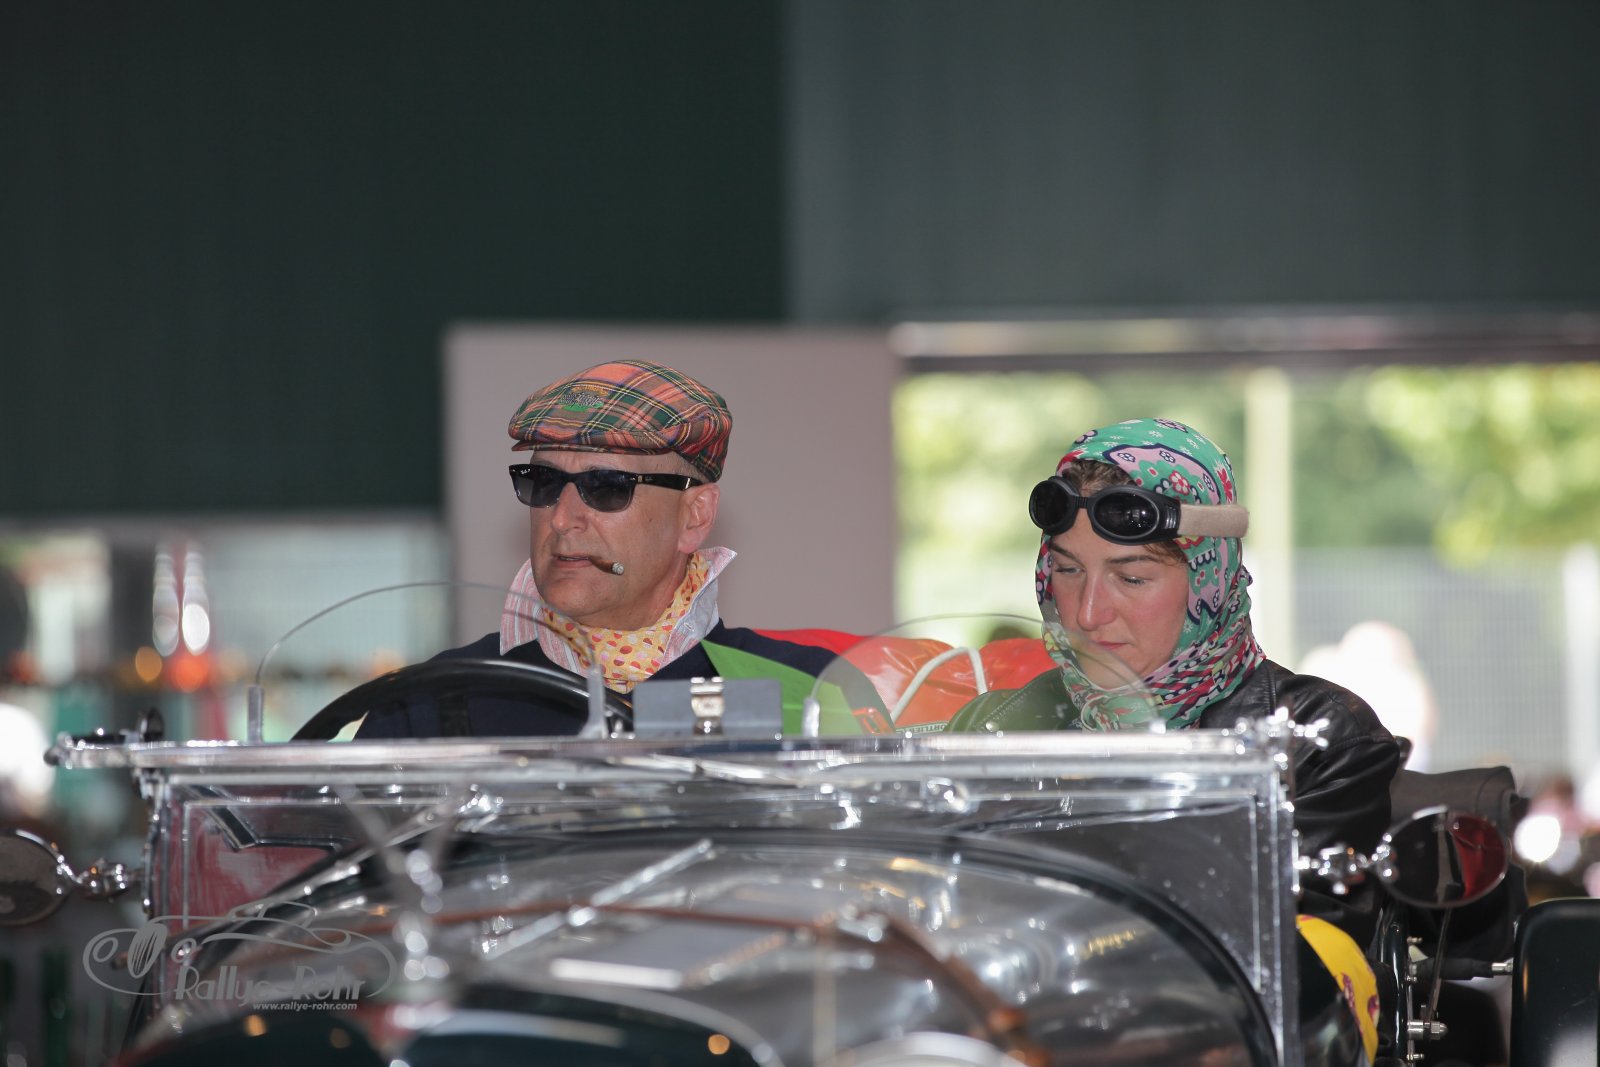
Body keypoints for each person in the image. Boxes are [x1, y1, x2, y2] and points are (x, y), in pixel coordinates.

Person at [948, 417, 1402, 951]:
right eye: (1068, 571)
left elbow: (1296, 969)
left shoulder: (1319, 743)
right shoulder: (994, 730)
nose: (1088, 614)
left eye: (1131, 577)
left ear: (1209, 577)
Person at [358, 359, 870, 738]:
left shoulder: (805, 690)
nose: (561, 518)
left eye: (606, 487)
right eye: (542, 482)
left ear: (695, 516)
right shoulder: (430, 704)